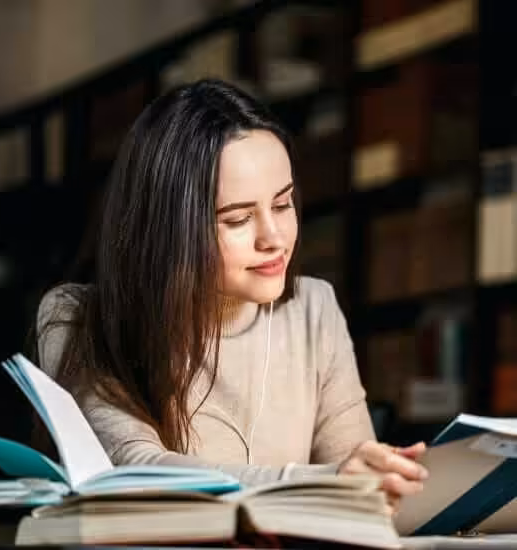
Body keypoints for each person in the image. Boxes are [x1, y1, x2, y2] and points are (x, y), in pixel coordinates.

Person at [37, 79, 427, 513]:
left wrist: (382, 480)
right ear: (171, 228)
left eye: (283, 205)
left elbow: (362, 491)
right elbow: (138, 469)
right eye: (239, 219)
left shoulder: (314, 310)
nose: (274, 238)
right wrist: (327, 480)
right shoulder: (78, 318)